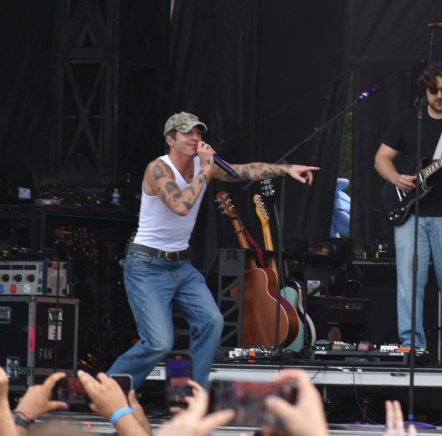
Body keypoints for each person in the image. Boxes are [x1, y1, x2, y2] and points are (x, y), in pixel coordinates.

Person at [108, 112, 319, 388]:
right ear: (170, 139)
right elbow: (181, 206)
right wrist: (206, 170)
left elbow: (242, 171)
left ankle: (190, 393)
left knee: (211, 321)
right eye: (187, 133)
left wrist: (286, 169)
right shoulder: (158, 169)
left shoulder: (203, 166)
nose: (195, 138)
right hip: (147, 265)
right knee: (159, 342)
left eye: (198, 132)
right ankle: (110, 389)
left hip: (181, 265)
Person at [374, 63, 442, 363]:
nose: (439, 96)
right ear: (425, 90)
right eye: (433, 90)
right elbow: (381, 158)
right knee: (409, 285)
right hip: (410, 216)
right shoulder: (408, 119)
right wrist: (395, 178)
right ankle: (412, 347)